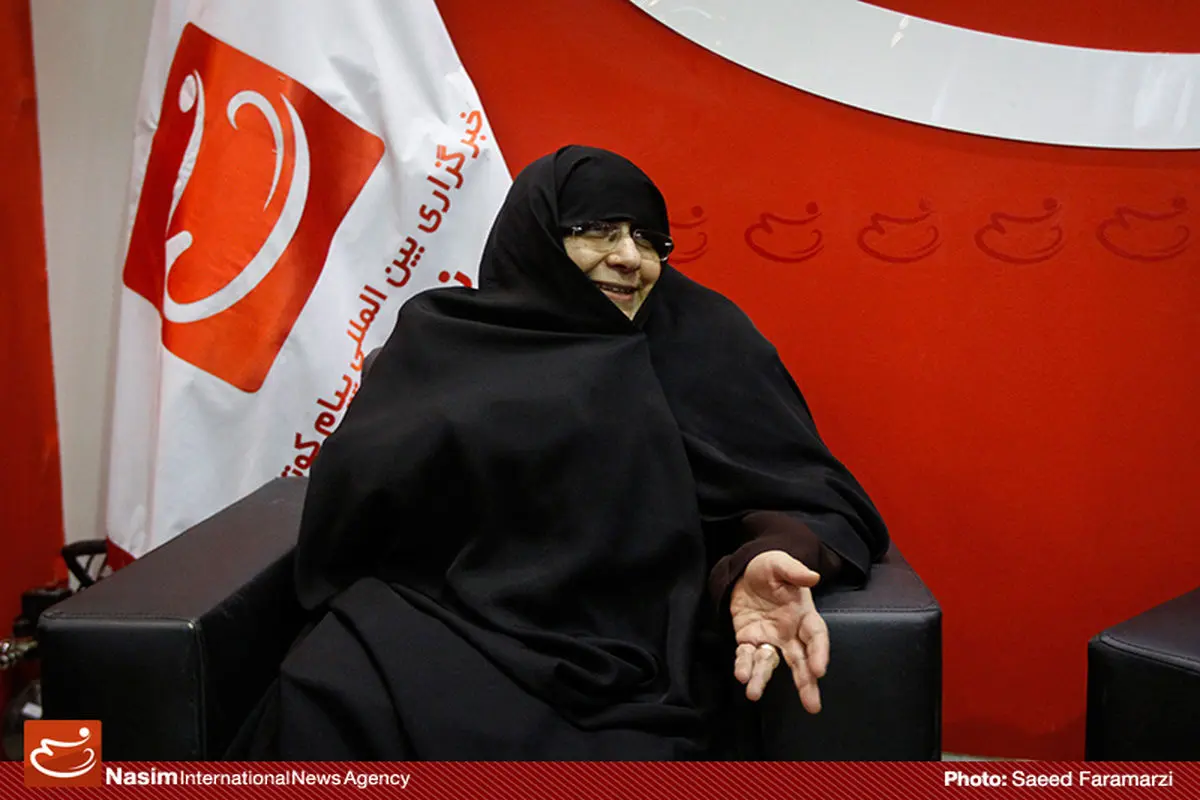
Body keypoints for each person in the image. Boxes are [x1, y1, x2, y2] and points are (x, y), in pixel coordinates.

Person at [229, 145, 888, 760]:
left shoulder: (703, 342)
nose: (629, 257)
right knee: (322, 691)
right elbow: (354, 516)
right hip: (440, 616)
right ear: (536, 235)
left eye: (649, 240)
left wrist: (763, 557)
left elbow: (804, 490)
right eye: (597, 231)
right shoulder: (442, 340)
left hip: (635, 652)